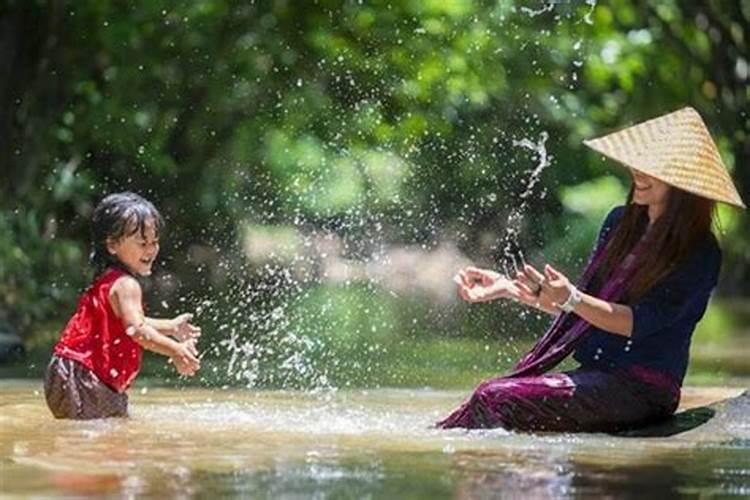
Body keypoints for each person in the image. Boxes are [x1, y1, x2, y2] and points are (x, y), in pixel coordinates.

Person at [439, 107, 746, 432]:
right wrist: (507, 288)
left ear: (682, 182)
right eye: (638, 163)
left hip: (644, 390)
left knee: (493, 398)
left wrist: (572, 297)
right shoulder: (619, 223)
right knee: (491, 398)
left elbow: (634, 322)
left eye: (652, 169)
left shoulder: (700, 252)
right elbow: (584, 313)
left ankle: (492, 477)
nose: (636, 173)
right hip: (594, 376)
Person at [44, 192, 202, 419]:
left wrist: (171, 326)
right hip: (84, 377)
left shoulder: (109, 279)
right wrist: (176, 350)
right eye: (142, 242)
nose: (151, 249)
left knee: (107, 432)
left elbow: (130, 323)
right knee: (107, 443)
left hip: (70, 373)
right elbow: (137, 330)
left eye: (155, 241)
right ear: (112, 245)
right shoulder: (127, 285)